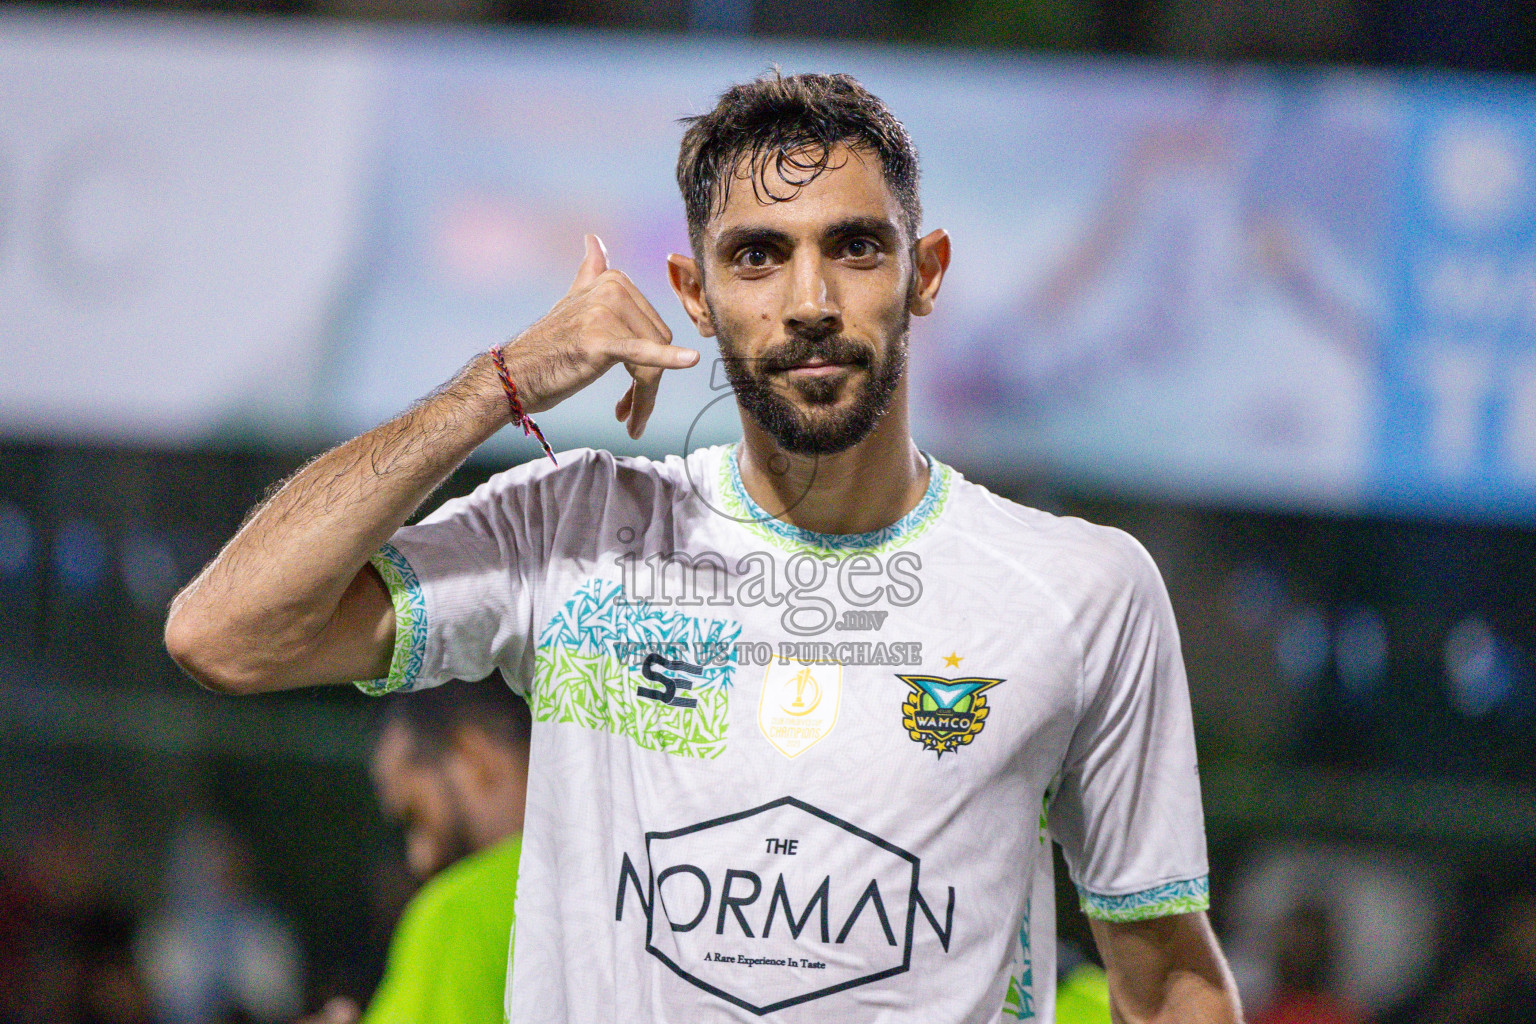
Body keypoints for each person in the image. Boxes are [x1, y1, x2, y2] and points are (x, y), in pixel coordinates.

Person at [165, 70, 1242, 1022]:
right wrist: (503, 382)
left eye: (855, 247)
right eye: (758, 256)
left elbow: (1169, 985)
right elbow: (227, 633)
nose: (811, 301)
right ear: (695, 293)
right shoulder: (574, 533)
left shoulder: (1079, 591)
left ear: (926, 272)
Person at [304, 675, 531, 1024]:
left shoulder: (459, 914)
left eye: (416, 817)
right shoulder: (631, 877)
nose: (418, 858)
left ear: (472, 757)